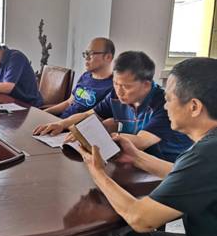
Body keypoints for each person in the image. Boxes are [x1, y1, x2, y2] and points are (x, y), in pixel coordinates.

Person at [78, 57, 217, 236]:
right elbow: (186, 177)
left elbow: (140, 218)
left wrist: (98, 173)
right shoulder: (209, 148)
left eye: (169, 99)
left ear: (194, 106)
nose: (165, 106)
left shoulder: (207, 154)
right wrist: (137, 157)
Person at [33, 51, 192, 162]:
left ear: (146, 85)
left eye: (126, 86)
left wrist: (92, 136)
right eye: (115, 83)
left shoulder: (164, 105)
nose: (119, 91)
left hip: (165, 168)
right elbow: (89, 114)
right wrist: (62, 124)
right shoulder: (116, 95)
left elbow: (140, 141)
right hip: (135, 161)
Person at [45, 37, 114, 118]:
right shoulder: (85, 76)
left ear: (108, 57)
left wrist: (63, 123)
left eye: (91, 54)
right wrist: (43, 112)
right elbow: (68, 103)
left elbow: (97, 118)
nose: (86, 58)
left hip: (74, 125)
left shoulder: (113, 87)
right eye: (86, 53)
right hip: (59, 120)